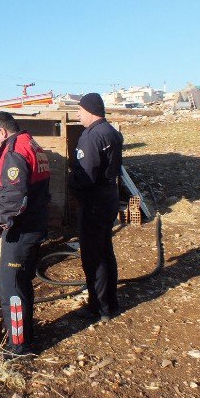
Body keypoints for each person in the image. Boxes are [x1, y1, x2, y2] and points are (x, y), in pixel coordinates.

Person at [0, 112, 50, 354]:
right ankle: (25, 332)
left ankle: (18, 346)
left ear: (2, 132)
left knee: (11, 287)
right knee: (23, 283)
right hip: (34, 225)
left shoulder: (15, 152)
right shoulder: (31, 144)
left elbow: (14, 196)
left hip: (20, 230)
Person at [69, 92, 124, 322]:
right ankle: (111, 300)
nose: (77, 115)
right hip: (109, 197)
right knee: (105, 251)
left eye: (79, 110)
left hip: (93, 202)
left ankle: (99, 306)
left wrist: (73, 190)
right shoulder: (112, 133)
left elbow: (86, 175)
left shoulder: (90, 137)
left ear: (90, 111)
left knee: (94, 256)